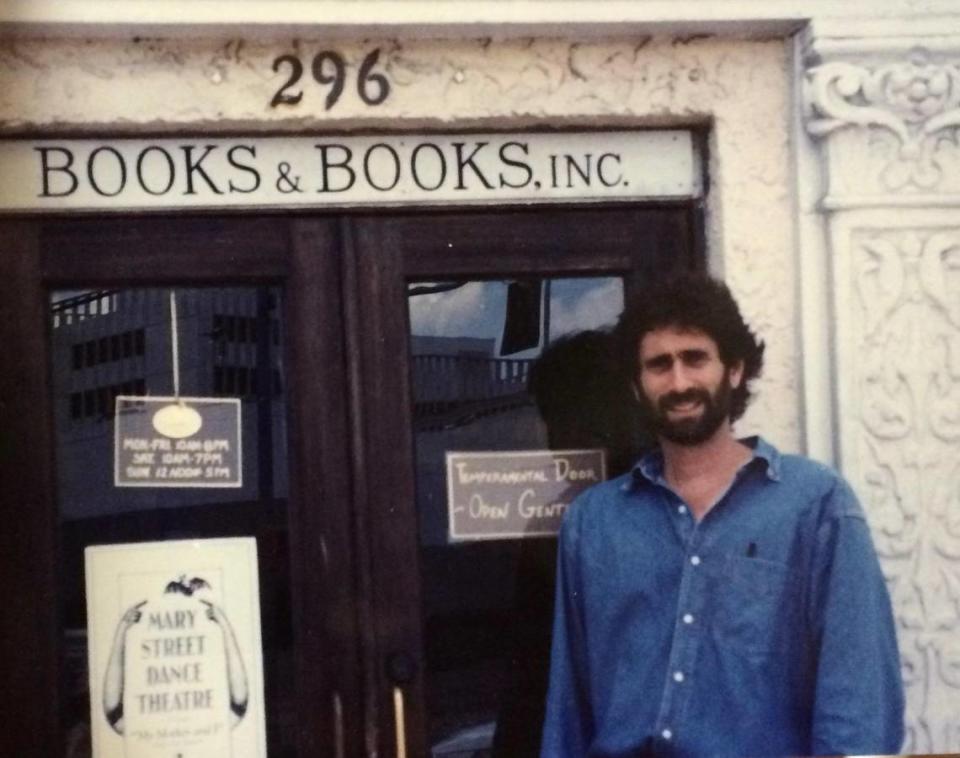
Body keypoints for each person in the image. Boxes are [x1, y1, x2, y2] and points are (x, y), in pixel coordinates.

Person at [540, 273, 904, 757]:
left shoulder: (815, 505)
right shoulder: (594, 522)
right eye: (659, 365)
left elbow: (859, 701)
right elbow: (568, 707)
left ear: (733, 369)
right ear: (636, 384)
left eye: (695, 359)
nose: (679, 382)